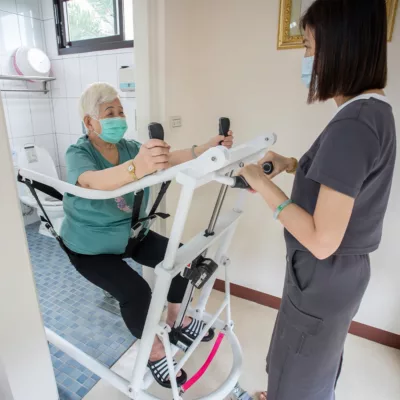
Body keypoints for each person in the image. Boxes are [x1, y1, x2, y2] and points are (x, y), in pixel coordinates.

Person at [239, 1, 396, 399]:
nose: (308, 58)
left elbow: (321, 239)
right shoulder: (375, 112)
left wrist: (261, 182)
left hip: (324, 273)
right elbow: (345, 185)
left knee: (301, 368)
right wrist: (293, 164)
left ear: (341, 47)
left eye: (310, 46)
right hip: (340, 277)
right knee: (312, 361)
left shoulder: (353, 126)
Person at [60, 82, 233, 388]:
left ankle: (177, 321)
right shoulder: (79, 152)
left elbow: (171, 157)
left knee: (184, 258)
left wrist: (207, 148)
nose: (118, 117)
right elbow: (90, 182)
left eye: (120, 110)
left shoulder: (128, 147)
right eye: (109, 112)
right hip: (91, 246)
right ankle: (154, 353)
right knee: (138, 292)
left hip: (131, 235)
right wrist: (135, 169)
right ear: (89, 122)